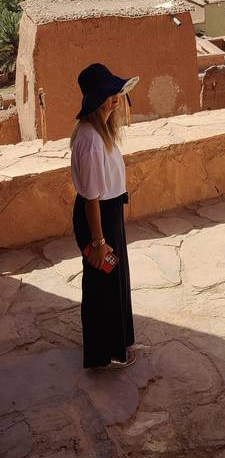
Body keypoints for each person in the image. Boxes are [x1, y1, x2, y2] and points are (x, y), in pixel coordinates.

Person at [71, 63, 139, 370]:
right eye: (108, 95)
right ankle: (103, 353)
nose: (114, 100)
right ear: (95, 99)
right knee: (103, 286)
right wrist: (98, 241)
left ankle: (118, 343)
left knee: (113, 281)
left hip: (108, 213)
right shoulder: (90, 140)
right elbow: (91, 198)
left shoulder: (102, 131)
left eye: (115, 94)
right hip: (98, 218)